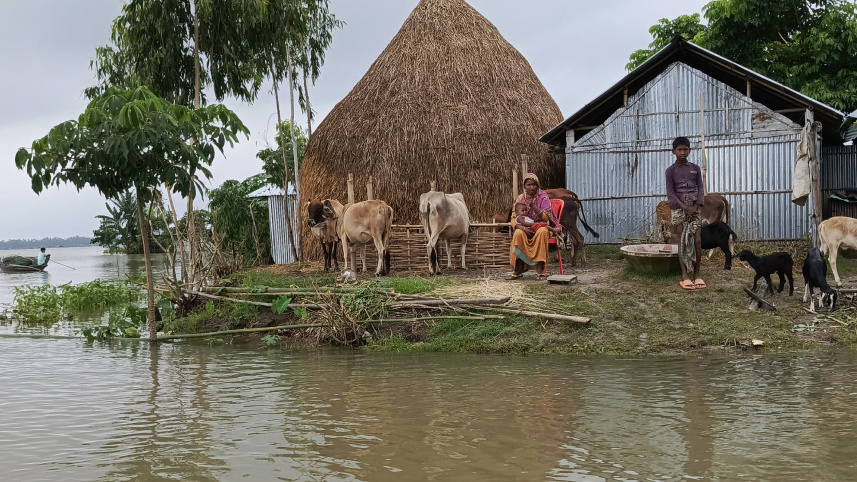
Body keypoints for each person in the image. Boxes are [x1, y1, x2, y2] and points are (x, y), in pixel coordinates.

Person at [665, 137, 705, 290]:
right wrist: (685, 208)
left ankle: (697, 275)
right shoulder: (670, 171)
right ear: (673, 151)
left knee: (697, 241)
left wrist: (694, 207)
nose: (682, 152)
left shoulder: (695, 168)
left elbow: (700, 189)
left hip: (695, 209)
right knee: (682, 242)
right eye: (679, 150)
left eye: (685, 149)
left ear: (689, 150)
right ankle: (685, 275)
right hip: (679, 209)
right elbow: (671, 193)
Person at [509, 173, 562, 279]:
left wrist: (533, 206)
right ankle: (519, 267)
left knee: (542, 231)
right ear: (524, 186)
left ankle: (540, 267)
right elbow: (513, 218)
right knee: (518, 233)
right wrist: (522, 227)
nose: (532, 187)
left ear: (538, 185)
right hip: (525, 227)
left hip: (543, 226)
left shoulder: (543, 197)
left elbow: (547, 218)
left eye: (534, 184)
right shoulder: (520, 198)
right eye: (529, 184)